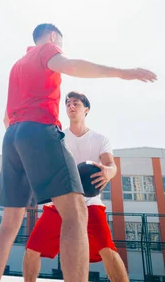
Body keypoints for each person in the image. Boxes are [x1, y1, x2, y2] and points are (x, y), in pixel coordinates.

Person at [0, 23, 156, 282]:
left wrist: (25, 147)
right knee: (75, 212)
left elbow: (6, 118)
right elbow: (73, 66)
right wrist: (122, 73)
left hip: (12, 137)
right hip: (39, 129)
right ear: (53, 37)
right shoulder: (46, 50)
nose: (59, 52)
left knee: (8, 224)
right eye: (60, 46)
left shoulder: (17, 65)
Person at [22, 91, 128, 282]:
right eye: (68, 103)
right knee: (32, 250)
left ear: (86, 109)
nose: (71, 106)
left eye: (76, 103)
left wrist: (107, 172)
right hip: (61, 203)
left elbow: (111, 166)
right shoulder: (58, 137)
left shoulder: (100, 139)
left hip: (90, 203)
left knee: (107, 251)